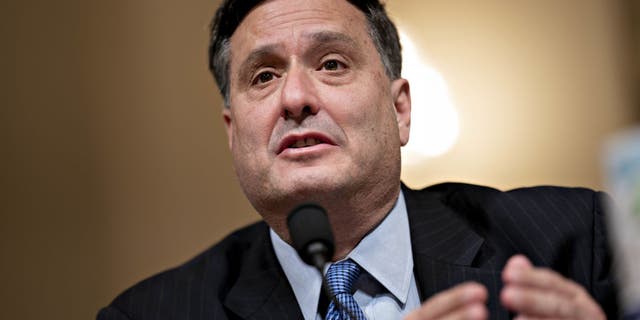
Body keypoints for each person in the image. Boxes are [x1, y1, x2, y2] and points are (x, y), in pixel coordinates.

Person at [98, 0, 618, 319]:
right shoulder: (149, 314)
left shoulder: (580, 242)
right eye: (264, 75)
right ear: (233, 133)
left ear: (399, 111)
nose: (295, 97)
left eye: (331, 63)